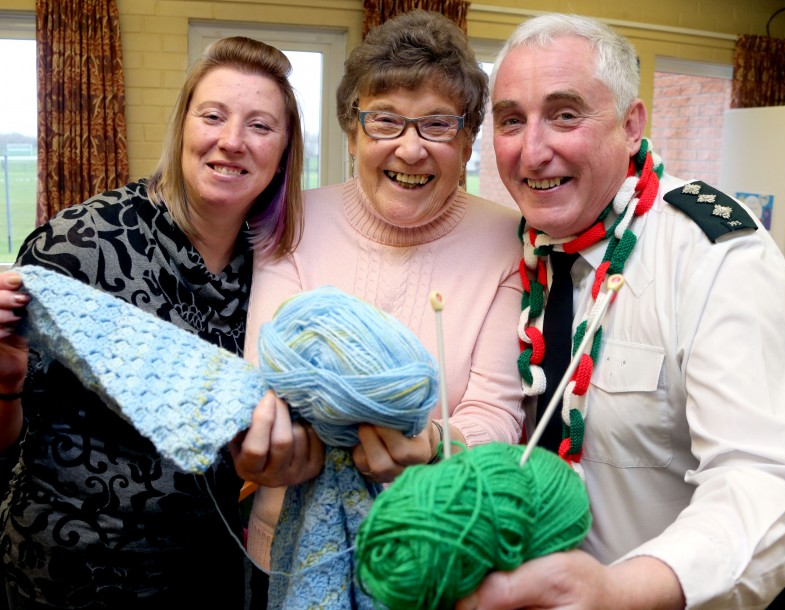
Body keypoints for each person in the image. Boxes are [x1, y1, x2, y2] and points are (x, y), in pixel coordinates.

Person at [455, 13, 785, 610]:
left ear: (632, 123)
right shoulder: (512, 246)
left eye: (565, 114)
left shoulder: (713, 255)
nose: (533, 152)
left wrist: (621, 591)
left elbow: (768, 482)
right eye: (512, 120)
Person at [0, 36, 314, 609]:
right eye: (213, 116)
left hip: (206, 576)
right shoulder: (80, 244)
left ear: (285, 149)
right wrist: (4, 382)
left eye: (261, 125)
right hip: (69, 578)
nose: (231, 140)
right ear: (183, 127)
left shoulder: (277, 270)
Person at [234, 7, 526, 591]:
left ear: (469, 139)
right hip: (287, 550)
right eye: (385, 121)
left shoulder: (507, 238)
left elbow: (497, 412)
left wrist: (436, 442)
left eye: (439, 124)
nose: (411, 150)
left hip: (433, 554)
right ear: (352, 131)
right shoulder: (290, 220)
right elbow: (264, 380)